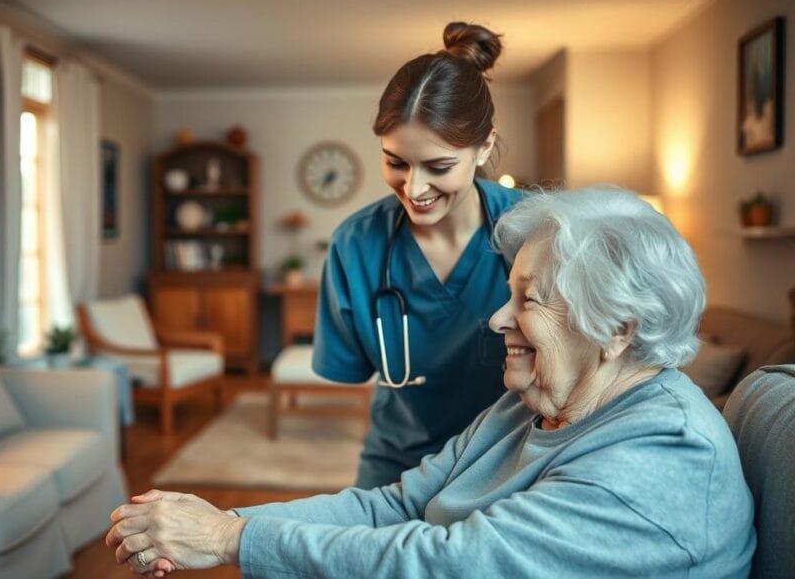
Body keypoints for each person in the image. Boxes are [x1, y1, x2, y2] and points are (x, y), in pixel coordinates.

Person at [107, 187, 756, 578]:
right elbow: (391, 505)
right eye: (509, 292)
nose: (498, 317)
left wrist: (229, 539)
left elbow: (449, 564)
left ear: (617, 327)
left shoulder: (662, 456)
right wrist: (220, 520)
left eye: (528, 299)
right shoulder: (527, 407)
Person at [314, 21, 526, 489]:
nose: (414, 188)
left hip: (512, 466)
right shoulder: (356, 245)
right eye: (396, 162)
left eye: (439, 166)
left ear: (485, 145)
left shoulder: (535, 231)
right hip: (397, 472)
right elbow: (347, 370)